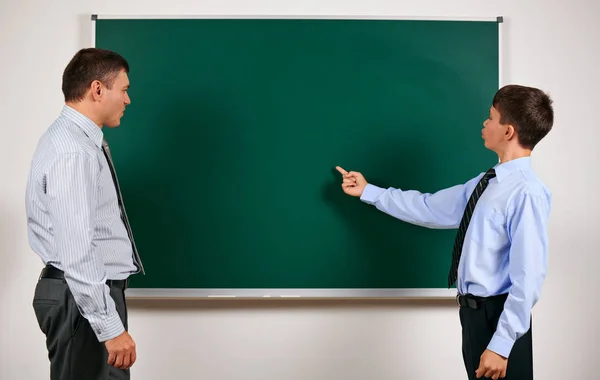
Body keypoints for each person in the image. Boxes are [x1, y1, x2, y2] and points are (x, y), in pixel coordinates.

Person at [336, 84, 554, 380]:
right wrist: (369, 192)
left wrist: (502, 345)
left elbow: (528, 276)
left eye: (491, 117)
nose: (484, 123)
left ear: (508, 132)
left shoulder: (527, 192)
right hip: (474, 316)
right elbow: (429, 207)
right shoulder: (485, 183)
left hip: (499, 318)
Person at [25, 48, 144, 380]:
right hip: (81, 297)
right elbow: (77, 247)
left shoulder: (77, 142)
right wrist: (109, 326)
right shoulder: (73, 151)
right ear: (97, 89)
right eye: (124, 89)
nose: (127, 99)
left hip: (84, 296)